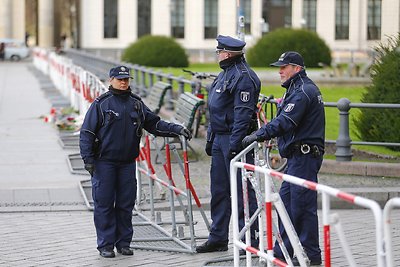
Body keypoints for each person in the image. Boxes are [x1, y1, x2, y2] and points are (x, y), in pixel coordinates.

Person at [79, 65, 192, 258]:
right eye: (119, 79)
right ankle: (105, 245)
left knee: (125, 204)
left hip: (127, 164)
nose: (123, 82)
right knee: (104, 204)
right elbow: (87, 133)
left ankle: (123, 243)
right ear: (111, 80)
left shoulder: (136, 104)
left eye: (126, 79)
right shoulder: (101, 104)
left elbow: (154, 124)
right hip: (104, 162)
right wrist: (88, 160)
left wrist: (176, 129)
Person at [242, 51, 325, 266]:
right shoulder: (297, 89)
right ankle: (284, 253)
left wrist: (258, 135)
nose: (279, 71)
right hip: (297, 157)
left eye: (284, 67)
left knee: (301, 206)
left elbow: (285, 122)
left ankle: (311, 256)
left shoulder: (302, 92)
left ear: (296, 69)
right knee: (288, 204)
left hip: (304, 157)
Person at [196, 35, 261, 253]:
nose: (217, 55)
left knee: (243, 194)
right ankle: (218, 237)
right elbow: (216, 109)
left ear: (228, 53)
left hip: (235, 141)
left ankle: (249, 240)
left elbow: (242, 116)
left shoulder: (243, 77)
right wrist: (211, 138)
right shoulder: (224, 75)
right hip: (220, 139)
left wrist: (234, 145)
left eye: (219, 52)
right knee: (220, 191)